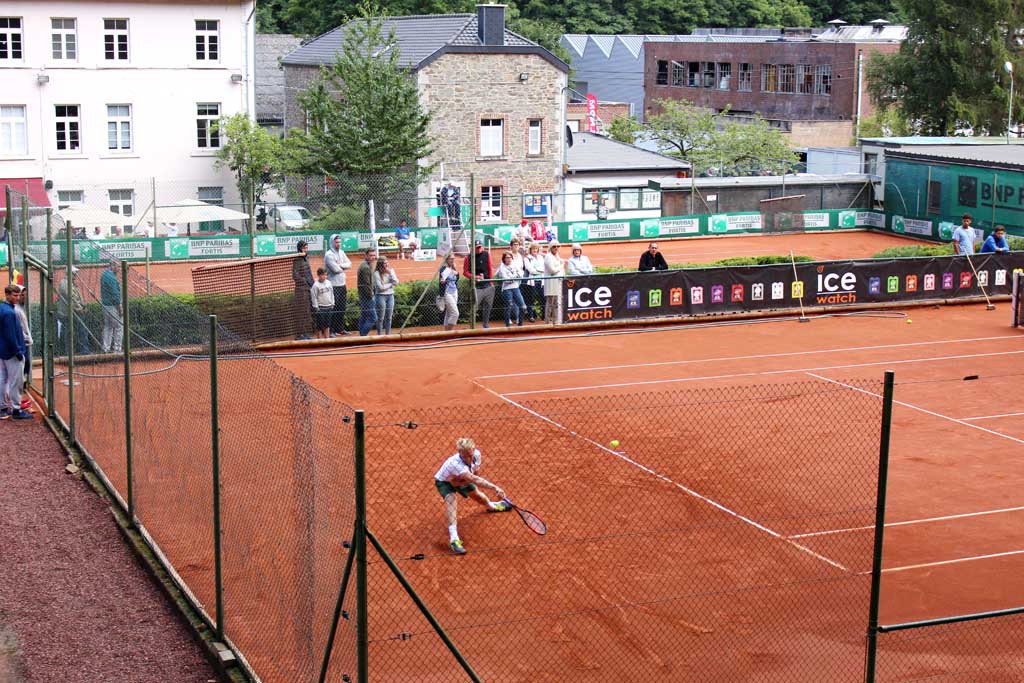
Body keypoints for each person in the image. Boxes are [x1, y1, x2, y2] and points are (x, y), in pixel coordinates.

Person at [433, 437, 511, 555]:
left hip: (463, 479)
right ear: (459, 453)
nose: (468, 458)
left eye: (470, 455)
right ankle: (454, 539)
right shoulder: (454, 464)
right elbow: (473, 478)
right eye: (464, 456)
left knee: (478, 496)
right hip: (445, 482)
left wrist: (463, 483)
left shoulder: (477, 455)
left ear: (473, 450)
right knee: (451, 502)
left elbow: (475, 474)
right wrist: (495, 488)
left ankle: (492, 507)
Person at [0, 284, 31, 420]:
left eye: (18, 295)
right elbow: (11, 335)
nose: (17, 298)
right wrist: (18, 352)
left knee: (3, 380)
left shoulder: (3, 308)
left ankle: (2, 408)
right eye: (14, 295)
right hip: (11, 352)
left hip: (3, 351)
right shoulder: (9, 313)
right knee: (15, 382)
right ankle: (16, 410)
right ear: (7, 295)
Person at [323, 234, 352, 336]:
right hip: (333, 285)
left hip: (342, 284)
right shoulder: (329, 255)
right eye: (336, 242)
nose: (338, 244)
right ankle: (331, 331)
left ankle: (339, 329)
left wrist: (340, 265)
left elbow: (350, 264)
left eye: (339, 242)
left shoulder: (342, 252)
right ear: (332, 242)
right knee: (333, 309)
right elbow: (335, 270)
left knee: (341, 308)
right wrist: (343, 266)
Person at [463, 239, 494, 328]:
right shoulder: (468, 257)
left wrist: (491, 282)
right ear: (472, 248)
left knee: (488, 306)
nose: (479, 249)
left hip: (487, 284)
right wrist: (474, 277)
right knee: (474, 306)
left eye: (480, 247)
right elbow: (465, 272)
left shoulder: (486, 254)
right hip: (476, 286)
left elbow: (490, 268)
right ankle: (472, 326)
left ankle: (485, 325)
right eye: (477, 248)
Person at [56, 267, 87, 355]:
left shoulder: (71, 283)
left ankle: (82, 350)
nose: (75, 275)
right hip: (68, 313)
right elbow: (71, 298)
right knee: (71, 333)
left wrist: (83, 306)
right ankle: (71, 352)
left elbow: (77, 297)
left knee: (79, 331)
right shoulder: (65, 283)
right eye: (74, 273)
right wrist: (80, 308)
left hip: (74, 312)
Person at [13, 285, 32, 414]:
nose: (23, 297)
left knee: (27, 365)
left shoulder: (21, 308)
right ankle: (16, 405)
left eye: (24, 294)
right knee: (19, 372)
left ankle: (17, 399)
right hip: (20, 344)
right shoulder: (15, 310)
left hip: (24, 342)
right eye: (20, 294)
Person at [495, 251, 526, 327]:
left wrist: (513, 278)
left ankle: (520, 324)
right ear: (504, 259)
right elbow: (506, 280)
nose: (509, 259)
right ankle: (507, 326)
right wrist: (515, 277)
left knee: (523, 307)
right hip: (506, 289)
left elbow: (521, 274)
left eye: (510, 257)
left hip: (516, 288)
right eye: (507, 258)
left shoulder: (515, 264)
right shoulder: (502, 267)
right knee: (508, 307)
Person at [292, 240, 315, 340]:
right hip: (301, 290)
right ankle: (299, 335)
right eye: (304, 248)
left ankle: (305, 334)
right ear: (300, 249)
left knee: (306, 312)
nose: (306, 249)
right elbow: (295, 275)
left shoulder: (306, 258)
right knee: (301, 313)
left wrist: (312, 284)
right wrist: (304, 281)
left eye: (306, 247)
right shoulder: (297, 260)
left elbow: (309, 273)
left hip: (308, 289)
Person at [100, 261, 123, 354]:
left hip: (105, 305)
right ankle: (117, 349)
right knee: (119, 327)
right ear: (112, 266)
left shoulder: (104, 274)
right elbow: (115, 295)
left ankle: (106, 348)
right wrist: (120, 308)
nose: (119, 269)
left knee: (108, 327)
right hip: (113, 307)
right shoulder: (112, 278)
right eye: (118, 267)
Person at [373, 255, 399, 335]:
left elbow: (396, 282)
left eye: (387, 262)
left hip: (390, 296)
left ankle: (388, 335)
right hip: (380, 296)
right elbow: (380, 288)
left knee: (389, 317)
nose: (387, 265)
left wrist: (391, 273)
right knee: (380, 318)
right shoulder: (376, 273)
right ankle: (379, 335)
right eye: (384, 263)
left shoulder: (391, 271)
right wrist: (391, 285)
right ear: (380, 264)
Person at [356, 249, 378, 336]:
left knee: (364, 316)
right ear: (366, 256)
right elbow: (366, 285)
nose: (373, 257)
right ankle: (363, 335)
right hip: (367, 297)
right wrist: (371, 296)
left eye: (374, 255)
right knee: (373, 318)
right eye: (371, 255)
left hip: (364, 296)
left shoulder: (366, 265)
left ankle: (361, 336)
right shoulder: (365, 267)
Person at [310, 267, 335, 339]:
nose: (325, 277)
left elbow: (332, 293)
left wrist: (333, 303)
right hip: (320, 308)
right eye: (323, 275)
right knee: (320, 327)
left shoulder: (329, 283)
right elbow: (313, 297)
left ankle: (327, 340)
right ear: (319, 275)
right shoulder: (315, 285)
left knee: (327, 325)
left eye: (326, 275)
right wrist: (316, 307)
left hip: (329, 307)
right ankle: (319, 341)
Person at [523, 242, 545, 322]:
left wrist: (537, 270)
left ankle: (544, 316)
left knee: (543, 298)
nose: (535, 250)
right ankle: (531, 316)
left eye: (536, 248)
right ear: (530, 250)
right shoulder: (527, 258)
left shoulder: (541, 257)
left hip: (541, 282)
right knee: (530, 300)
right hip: (532, 282)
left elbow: (544, 269)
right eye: (533, 248)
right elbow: (531, 270)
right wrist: (540, 270)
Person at [544, 241, 564, 323]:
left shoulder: (557, 256)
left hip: (557, 282)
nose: (556, 248)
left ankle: (556, 321)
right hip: (550, 283)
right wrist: (562, 265)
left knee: (556, 303)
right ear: (551, 247)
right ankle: (547, 322)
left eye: (558, 246)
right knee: (550, 302)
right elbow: (552, 270)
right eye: (554, 246)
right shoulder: (548, 257)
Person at [439, 253, 460, 331]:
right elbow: (442, 280)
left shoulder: (453, 267)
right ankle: (449, 331)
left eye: (453, 258)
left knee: (448, 313)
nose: (452, 260)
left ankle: (446, 332)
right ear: (446, 259)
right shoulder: (443, 269)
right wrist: (442, 281)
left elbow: (456, 279)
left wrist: (457, 274)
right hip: (447, 292)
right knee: (455, 313)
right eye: (451, 258)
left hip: (454, 291)